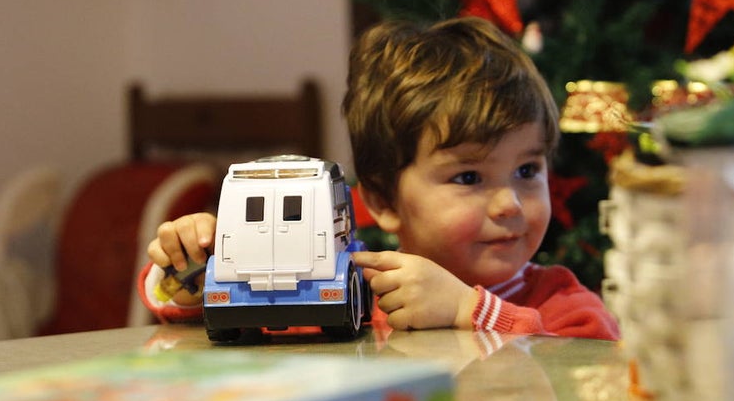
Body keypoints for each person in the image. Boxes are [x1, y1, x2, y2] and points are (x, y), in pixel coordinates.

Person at [140, 17, 619, 341]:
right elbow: (216, 315)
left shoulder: (562, 302)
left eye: (527, 170)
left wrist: (469, 313)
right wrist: (193, 266)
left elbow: (584, 376)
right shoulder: (353, 286)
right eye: (470, 176)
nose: (509, 204)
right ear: (386, 199)